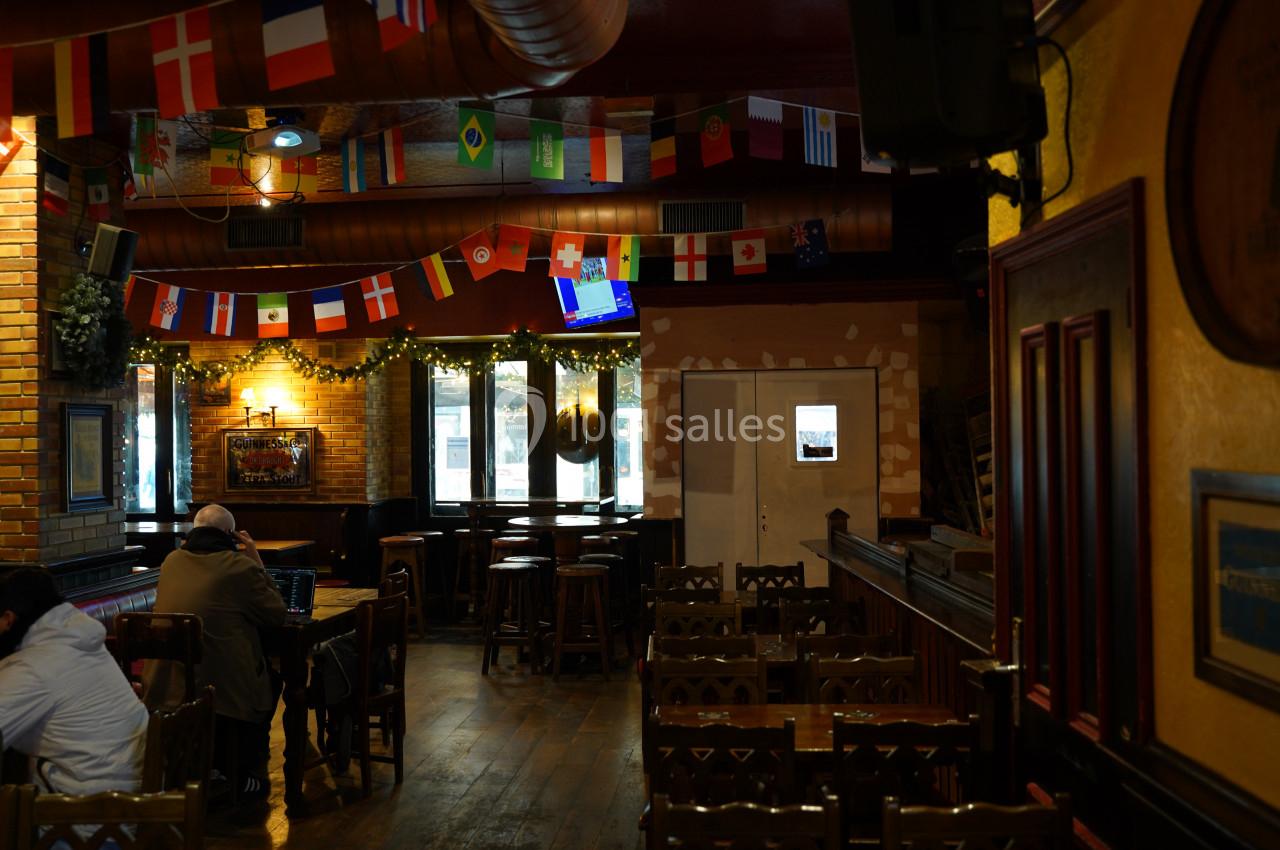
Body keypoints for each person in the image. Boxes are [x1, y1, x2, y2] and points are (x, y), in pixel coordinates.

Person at [142, 504, 285, 801]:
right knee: (271, 680)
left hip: (167, 686)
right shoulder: (240, 567)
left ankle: (203, 766)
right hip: (221, 691)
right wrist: (256, 558)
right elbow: (277, 614)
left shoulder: (171, 561)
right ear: (229, 535)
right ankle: (244, 774)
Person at [0, 568, 149, 796]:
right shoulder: (79, 643)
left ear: (8, 619)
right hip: (127, 800)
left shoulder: (36, 666)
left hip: (82, 817)